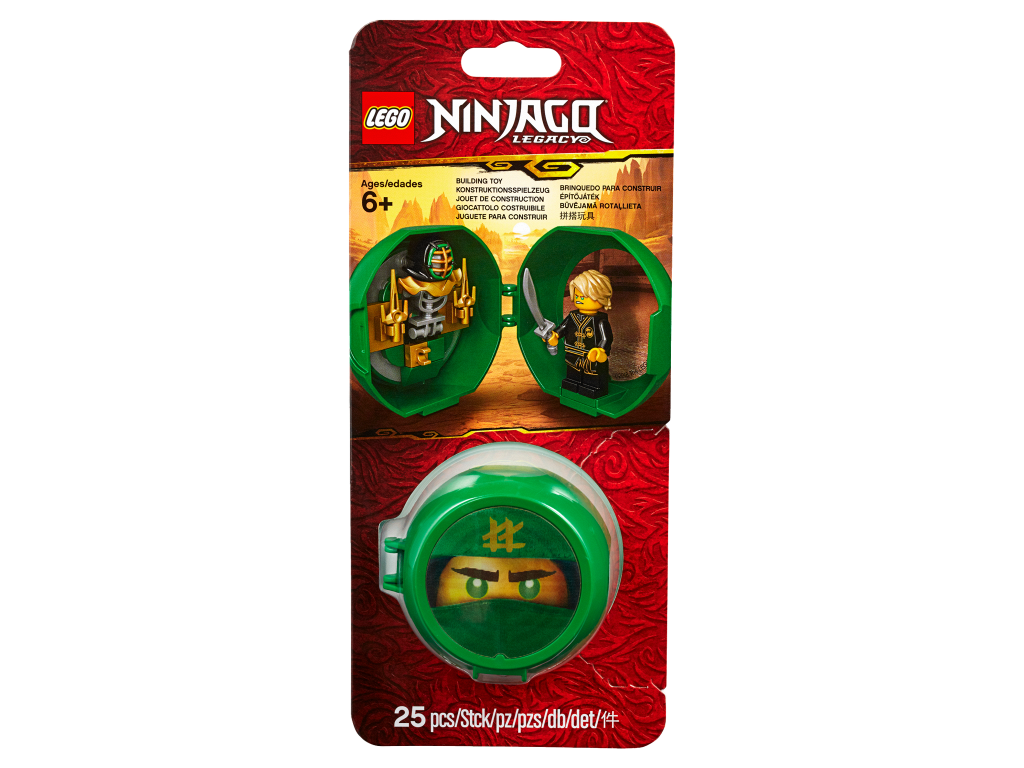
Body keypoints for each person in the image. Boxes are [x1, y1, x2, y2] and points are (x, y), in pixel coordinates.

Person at [547, 269, 613, 398]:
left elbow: (606, 337)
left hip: (591, 355)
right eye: (577, 296)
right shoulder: (572, 316)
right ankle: (572, 384)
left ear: (600, 297)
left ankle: (593, 388)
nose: (579, 300)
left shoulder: (600, 320)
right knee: (573, 371)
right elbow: (563, 327)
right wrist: (555, 335)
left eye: (583, 297)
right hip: (573, 352)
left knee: (592, 373)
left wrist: (601, 350)